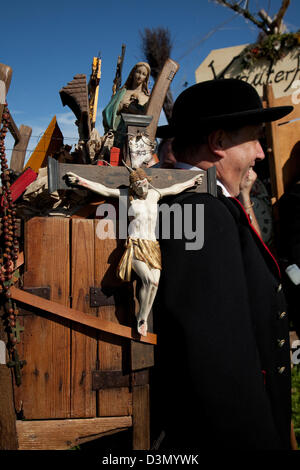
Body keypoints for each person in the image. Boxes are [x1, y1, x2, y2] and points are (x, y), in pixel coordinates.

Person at [151, 78, 294, 450]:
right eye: (254, 139)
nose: (261, 153)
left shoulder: (199, 203)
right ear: (218, 143)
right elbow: (220, 364)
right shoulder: (200, 210)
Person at [65, 165, 202, 336]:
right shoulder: (127, 197)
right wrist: (81, 181)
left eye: (145, 183)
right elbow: (105, 190)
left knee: (155, 284)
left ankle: (142, 314)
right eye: (139, 185)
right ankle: (142, 318)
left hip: (152, 245)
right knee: (149, 281)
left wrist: (191, 181)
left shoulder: (154, 194)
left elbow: (175, 188)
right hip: (136, 244)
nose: (143, 188)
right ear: (134, 187)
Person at [102, 62, 151, 149]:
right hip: (119, 134)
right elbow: (107, 111)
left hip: (139, 138)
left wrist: (136, 111)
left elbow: (150, 118)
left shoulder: (147, 98)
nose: (140, 76)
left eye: (143, 74)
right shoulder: (122, 93)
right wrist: (120, 107)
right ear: (133, 73)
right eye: (138, 72)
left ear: (146, 78)